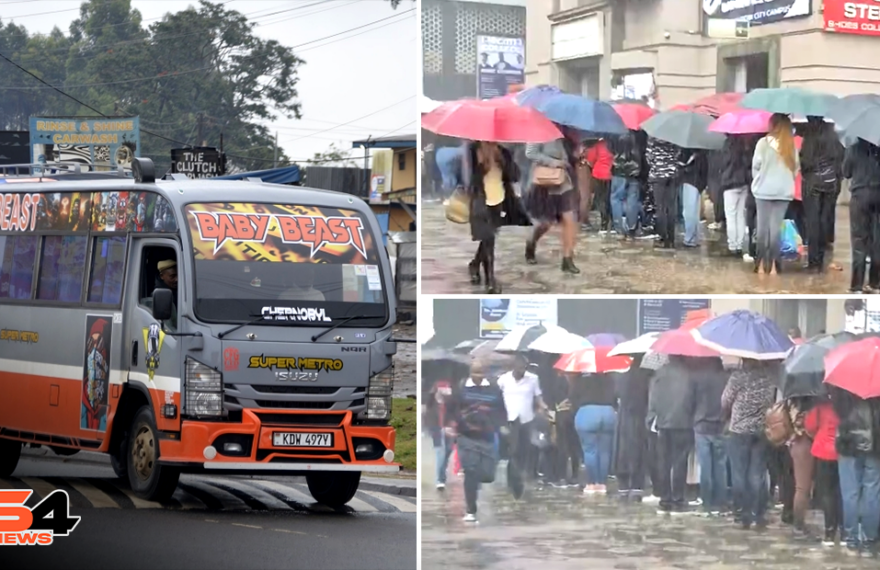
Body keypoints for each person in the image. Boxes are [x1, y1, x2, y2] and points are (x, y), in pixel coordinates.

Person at [464, 141, 530, 294]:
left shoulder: (503, 151)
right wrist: (481, 163)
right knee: (489, 239)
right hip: (481, 201)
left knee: (489, 238)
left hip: (499, 200)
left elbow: (514, 176)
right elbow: (467, 178)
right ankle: (490, 281)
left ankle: (475, 264)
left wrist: (504, 160)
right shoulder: (473, 150)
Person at [448, 360, 508, 523]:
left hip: (487, 436)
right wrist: (453, 425)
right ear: (470, 373)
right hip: (466, 437)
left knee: (488, 475)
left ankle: (476, 482)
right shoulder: (461, 389)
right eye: (475, 373)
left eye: (481, 373)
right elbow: (452, 409)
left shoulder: (494, 389)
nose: (478, 377)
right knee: (470, 471)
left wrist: (499, 425)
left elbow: (502, 410)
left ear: (486, 373)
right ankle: (471, 510)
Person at [722, 360, 777, 529]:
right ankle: (757, 514)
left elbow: (725, 401)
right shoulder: (768, 377)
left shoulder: (738, 377)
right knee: (757, 474)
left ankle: (741, 513)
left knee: (739, 473)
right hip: (761, 430)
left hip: (739, 430)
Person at [830, 386, 880, 555]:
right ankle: (869, 541)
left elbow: (837, 409)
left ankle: (852, 539)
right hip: (875, 443)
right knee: (872, 491)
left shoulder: (842, 383)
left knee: (850, 493)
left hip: (847, 441)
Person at [524, 128, 581, 274]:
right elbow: (530, 153)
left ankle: (567, 260)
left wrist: (576, 154)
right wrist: (553, 162)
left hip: (564, 182)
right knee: (545, 222)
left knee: (570, 219)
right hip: (545, 182)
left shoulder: (568, 131)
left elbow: (569, 157)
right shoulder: (538, 129)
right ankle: (531, 242)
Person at [751, 113, 800, 275]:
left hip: (763, 191)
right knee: (775, 230)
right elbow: (796, 169)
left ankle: (759, 266)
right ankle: (773, 266)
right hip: (783, 192)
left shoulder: (763, 143)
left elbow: (756, 166)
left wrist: (759, 179)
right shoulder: (791, 145)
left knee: (762, 230)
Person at [647, 356, 696, 513]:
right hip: (684, 422)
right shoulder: (690, 374)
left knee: (664, 462)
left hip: (663, 423)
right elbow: (693, 399)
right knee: (680, 461)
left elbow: (652, 399)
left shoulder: (659, 374)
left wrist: (653, 418)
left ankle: (665, 498)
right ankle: (678, 498)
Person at [799, 116, 844, 272]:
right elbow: (840, 157)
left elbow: (804, 162)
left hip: (812, 183)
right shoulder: (832, 136)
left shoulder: (809, 137)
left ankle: (814, 262)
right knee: (825, 220)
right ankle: (822, 256)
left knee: (812, 222)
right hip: (830, 182)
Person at [497, 355, 547, 494]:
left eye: (524, 368)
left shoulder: (533, 379)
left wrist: (544, 407)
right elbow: (497, 398)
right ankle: (511, 480)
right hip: (510, 420)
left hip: (527, 420)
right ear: (513, 367)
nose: (522, 371)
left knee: (525, 450)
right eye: (519, 368)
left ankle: (522, 476)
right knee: (512, 451)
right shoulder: (503, 380)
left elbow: (538, 397)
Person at [804, 395, 844, 546]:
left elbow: (809, 426)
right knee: (842, 492)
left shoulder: (820, 405)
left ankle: (829, 533)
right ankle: (845, 532)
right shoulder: (848, 405)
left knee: (827, 492)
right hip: (842, 451)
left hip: (822, 451)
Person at [841, 138, 880, 293]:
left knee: (859, 240)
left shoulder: (854, 148)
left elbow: (846, 172)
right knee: (877, 240)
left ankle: (857, 285)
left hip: (859, 195)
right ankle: (875, 282)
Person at [692, 357, 729, 515]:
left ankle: (707, 502)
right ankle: (720, 502)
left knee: (705, 466)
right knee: (720, 466)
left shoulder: (699, 378)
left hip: (702, 425)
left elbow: (693, 400)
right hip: (720, 425)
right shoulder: (727, 378)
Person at [572, 372, 618, 495]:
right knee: (605, 451)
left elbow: (572, 397)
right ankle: (602, 484)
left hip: (587, 412)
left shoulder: (580, 379)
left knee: (590, 450)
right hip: (608, 412)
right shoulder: (609, 377)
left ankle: (592, 483)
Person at [614, 357, 651, 502]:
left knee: (622, 451)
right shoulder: (647, 378)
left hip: (625, 418)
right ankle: (637, 486)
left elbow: (616, 396)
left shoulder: (622, 378)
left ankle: (623, 486)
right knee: (640, 450)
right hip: (641, 417)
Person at [719, 135, 758, 257]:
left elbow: (723, 164)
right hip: (744, 183)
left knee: (731, 215)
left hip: (729, 183)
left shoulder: (727, 145)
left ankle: (733, 245)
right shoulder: (746, 144)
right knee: (740, 215)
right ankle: (740, 245)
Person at [786, 397, 816, 539]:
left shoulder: (792, 400)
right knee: (802, 488)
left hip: (796, 444)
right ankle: (798, 526)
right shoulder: (805, 406)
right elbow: (809, 428)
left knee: (801, 487)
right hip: (803, 444)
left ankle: (799, 524)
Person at [646, 136, 684, 249]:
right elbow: (678, 154)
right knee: (671, 207)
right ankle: (671, 238)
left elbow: (649, 157)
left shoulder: (653, 138)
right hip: (672, 175)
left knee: (660, 207)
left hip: (658, 175)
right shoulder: (675, 136)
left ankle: (663, 237)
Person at [609, 130, 643, 240]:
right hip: (635, 169)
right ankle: (631, 228)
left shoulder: (614, 131)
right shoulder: (640, 133)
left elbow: (610, 148)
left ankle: (619, 228)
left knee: (616, 198)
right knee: (632, 199)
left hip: (618, 169)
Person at [679, 149, 708, 248]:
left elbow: (684, 165)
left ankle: (689, 238)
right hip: (699, 182)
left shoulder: (688, 151)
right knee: (695, 211)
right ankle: (694, 237)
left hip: (690, 180)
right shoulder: (703, 150)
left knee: (689, 211)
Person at [585, 138, 614, 232]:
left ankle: (604, 223)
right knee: (609, 198)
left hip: (598, 173)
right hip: (611, 174)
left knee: (601, 199)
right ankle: (612, 222)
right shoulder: (615, 144)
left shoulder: (599, 144)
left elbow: (591, 159)